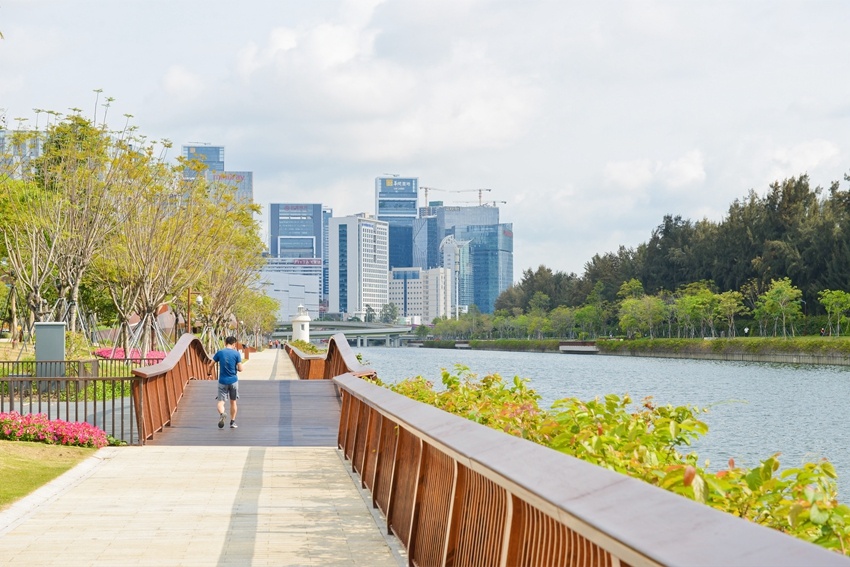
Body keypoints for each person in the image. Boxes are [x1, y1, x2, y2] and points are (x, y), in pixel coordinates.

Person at [212, 336, 243, 429]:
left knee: (221, 402)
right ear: (234, 344)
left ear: (225, 343)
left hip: (222, 381)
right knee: (233, 402)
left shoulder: (220, 353)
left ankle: (222, 413)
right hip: (233, 381)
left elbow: (211, 364)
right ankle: (232, 422)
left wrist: (209, 372)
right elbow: (241, 369)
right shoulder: (236, 354)